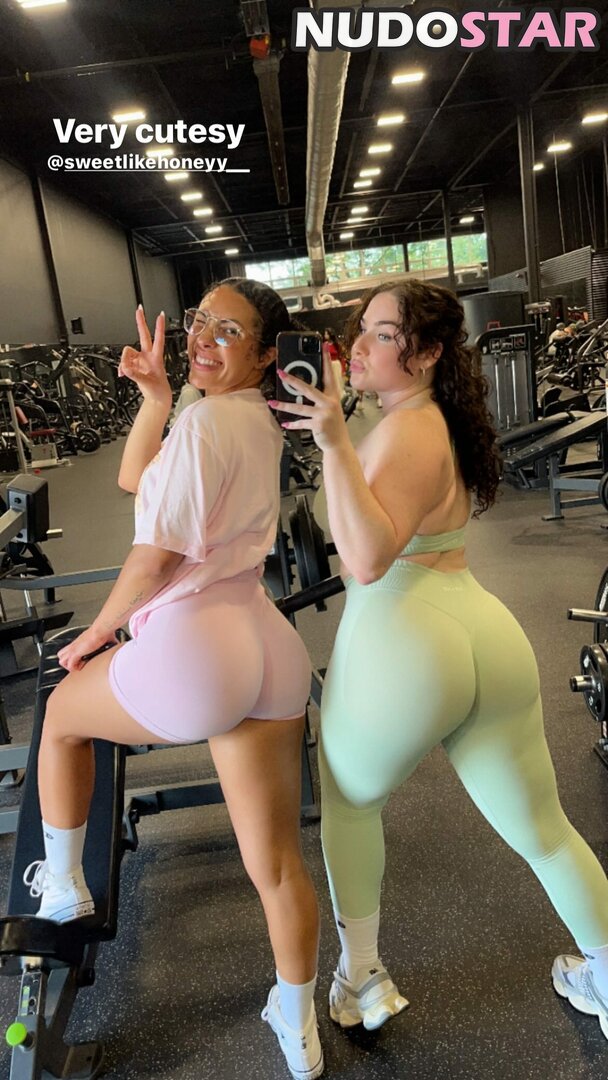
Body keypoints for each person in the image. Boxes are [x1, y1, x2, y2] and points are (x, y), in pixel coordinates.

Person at [270, 278, 608, 1043]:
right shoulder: (418, 419)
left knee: (351, 805)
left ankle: (361, 978)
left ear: (424, 354)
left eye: (382, 334)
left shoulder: (409, 431)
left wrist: (333, 445)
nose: (358, 343)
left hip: (408, 641)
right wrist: (339, 431)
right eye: (361, 327)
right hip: (483, 633)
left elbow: (364, 559)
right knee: (546, 831)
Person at [20, 278, 324, 1080]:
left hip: (196, 649)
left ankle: (63, 888)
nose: (203, 338)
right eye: (200, 322)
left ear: (264, 354)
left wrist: (96, 634)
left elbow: (153, 557)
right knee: (277, 864)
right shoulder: (251, 418)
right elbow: (136, 480)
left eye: (228, 331)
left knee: (62, 713)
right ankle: (299, 1030)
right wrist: (156, 396)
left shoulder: (207, 425)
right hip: (263, 642)